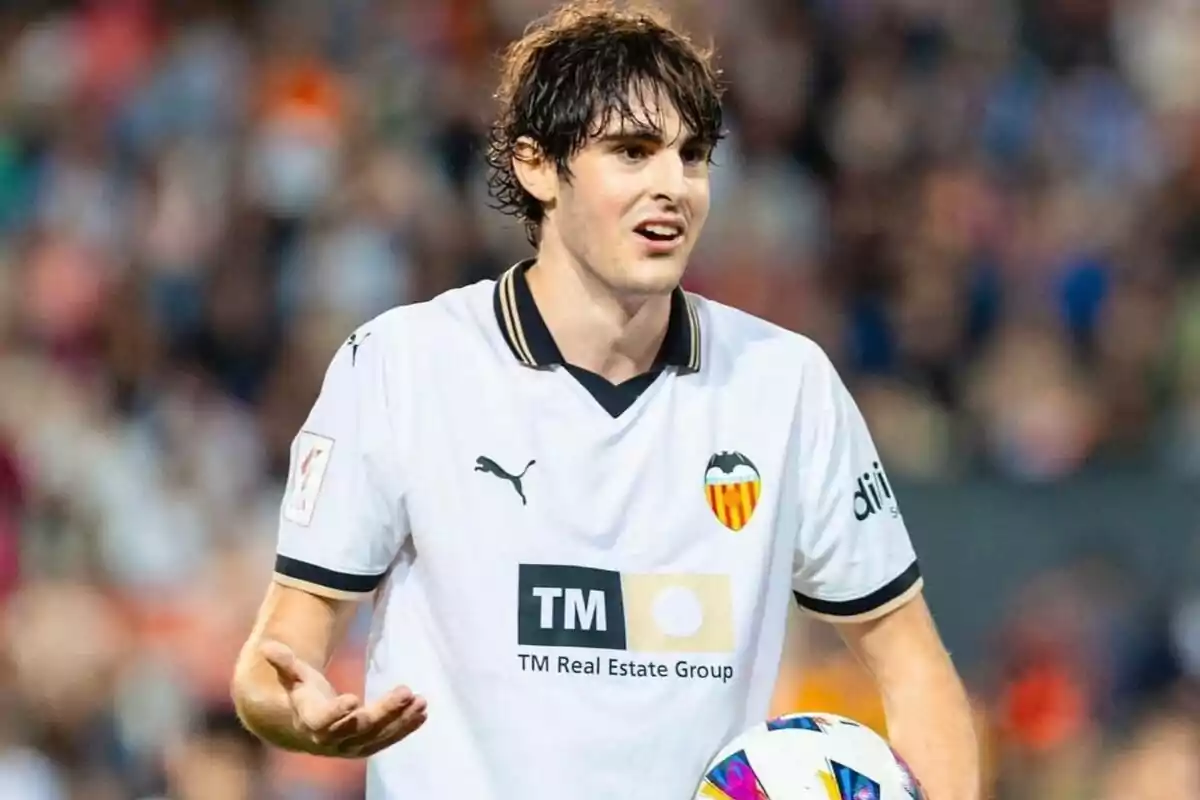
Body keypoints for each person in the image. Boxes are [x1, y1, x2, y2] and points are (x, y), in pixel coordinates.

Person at [230, 2, 980, 797]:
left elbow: (911, 661)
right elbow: (278, 656)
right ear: (535, 165)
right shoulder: (402, 365)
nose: (673, 187)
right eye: (632, 152)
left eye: (691, 157)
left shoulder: (785, 383)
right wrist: (293, 716)